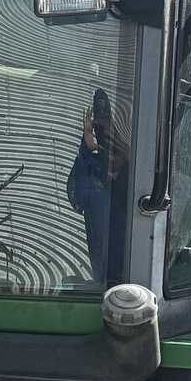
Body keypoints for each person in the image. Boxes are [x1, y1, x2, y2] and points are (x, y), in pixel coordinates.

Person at [67, 87, 127, 278]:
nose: (108, 138)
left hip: (136, 273)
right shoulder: (92, 172)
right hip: (102, 279)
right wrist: (87, 147)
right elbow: (77, 198)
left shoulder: (137, 177)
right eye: (100, 131)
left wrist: (127, 156)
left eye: (112, 131)